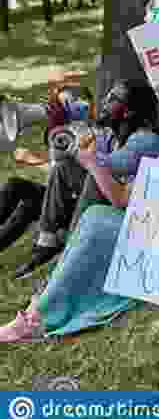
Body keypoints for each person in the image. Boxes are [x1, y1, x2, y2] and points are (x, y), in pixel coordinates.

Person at [0, 78, 159, 341]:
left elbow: (107, 168)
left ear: (130, 111)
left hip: (122, 211)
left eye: (113, 99)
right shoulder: (112, 134)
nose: (105, 103)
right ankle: (48, 242)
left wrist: (82, 151)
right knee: (28, 183)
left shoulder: (145, 140)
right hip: (95, 203)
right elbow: (63, 162)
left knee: (87, 176)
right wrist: (60, 132)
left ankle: (57, 249)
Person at [0, 84, 97, 278]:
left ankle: (46, 247)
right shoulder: (64, 130)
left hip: (77, 202)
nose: (58, 109)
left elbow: (66, 175)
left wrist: (32, 160)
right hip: (62, 196)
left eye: (64, 104)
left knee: (29, 205)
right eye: (57, 104)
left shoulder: (87, 133)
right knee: (17, 187)